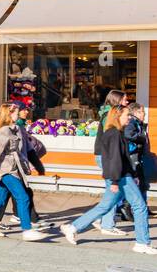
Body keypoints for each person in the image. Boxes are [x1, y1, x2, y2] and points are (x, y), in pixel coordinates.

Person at [61, 103, 157, 255]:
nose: (129, 118)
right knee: (140, 206)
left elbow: (122, 159)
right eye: (127, 115)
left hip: (124, 175)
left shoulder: (117, 133)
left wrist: (132, 175)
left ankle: (73, 227)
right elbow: (113, 160)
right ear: (118, 116)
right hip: (120, 177)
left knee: (105, 206)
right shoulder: (114, 134)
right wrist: (114, 181)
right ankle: (142, 242)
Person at [0, 102, 48, 241]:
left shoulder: (17, 128)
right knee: (23, 197)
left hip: (14, 169)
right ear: (9, 114)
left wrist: (37, 165)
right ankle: (27, 230)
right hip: (6, 170)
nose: (20, 114)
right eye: (17, 112)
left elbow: (28, 148)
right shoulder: (4, 130)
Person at [91, 90, 130, 233]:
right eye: (125, 99)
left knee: (112, 191)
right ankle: (106, 224)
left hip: (105, 154)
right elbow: (111, 137)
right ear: (117, 100)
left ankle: (100, 219)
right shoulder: (109, 115)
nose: (127, 101)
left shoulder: (109, 113)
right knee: (114, 190)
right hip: (106, 155)